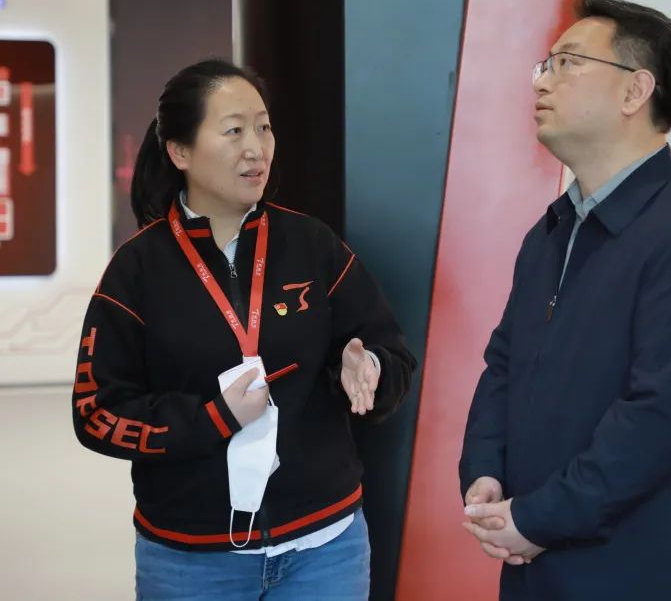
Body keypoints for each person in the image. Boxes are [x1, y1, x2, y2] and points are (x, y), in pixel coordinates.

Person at [71, 59, 415, 600]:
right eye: (234, 131)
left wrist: (369, 368)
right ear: (180, 152)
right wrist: (212, 417)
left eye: (264, 127)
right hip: (190, 559)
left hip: (326, 546)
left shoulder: (312, 245)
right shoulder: (136, 271)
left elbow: (393, 354)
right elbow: (97, 413)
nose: (256, 148)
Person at [459, 0, 671, 600]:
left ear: (634, 91)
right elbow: (505, 364)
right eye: (546, 64)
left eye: (568, 63)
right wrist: (485, 471)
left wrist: (539, 518)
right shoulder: (551, 231)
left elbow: (662, 416)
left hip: (636, 575)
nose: (543, 81)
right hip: (533, 565)